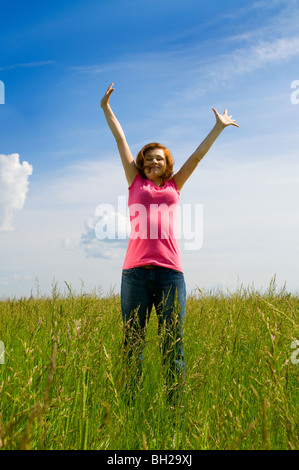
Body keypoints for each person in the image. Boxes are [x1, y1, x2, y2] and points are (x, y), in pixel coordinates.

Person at [100, 83, 239, 403]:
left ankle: (173, 414)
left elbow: (198, 156)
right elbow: (120, 139)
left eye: (158, 159)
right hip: (134, 274)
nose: (152, 162)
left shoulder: (176, 186)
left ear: (167, 163)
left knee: (172, 345)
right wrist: (107, 109)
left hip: (170, 275)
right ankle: (129, 408)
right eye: (147, 158)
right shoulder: (135, 180)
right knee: (131, 344)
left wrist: (218, 127)